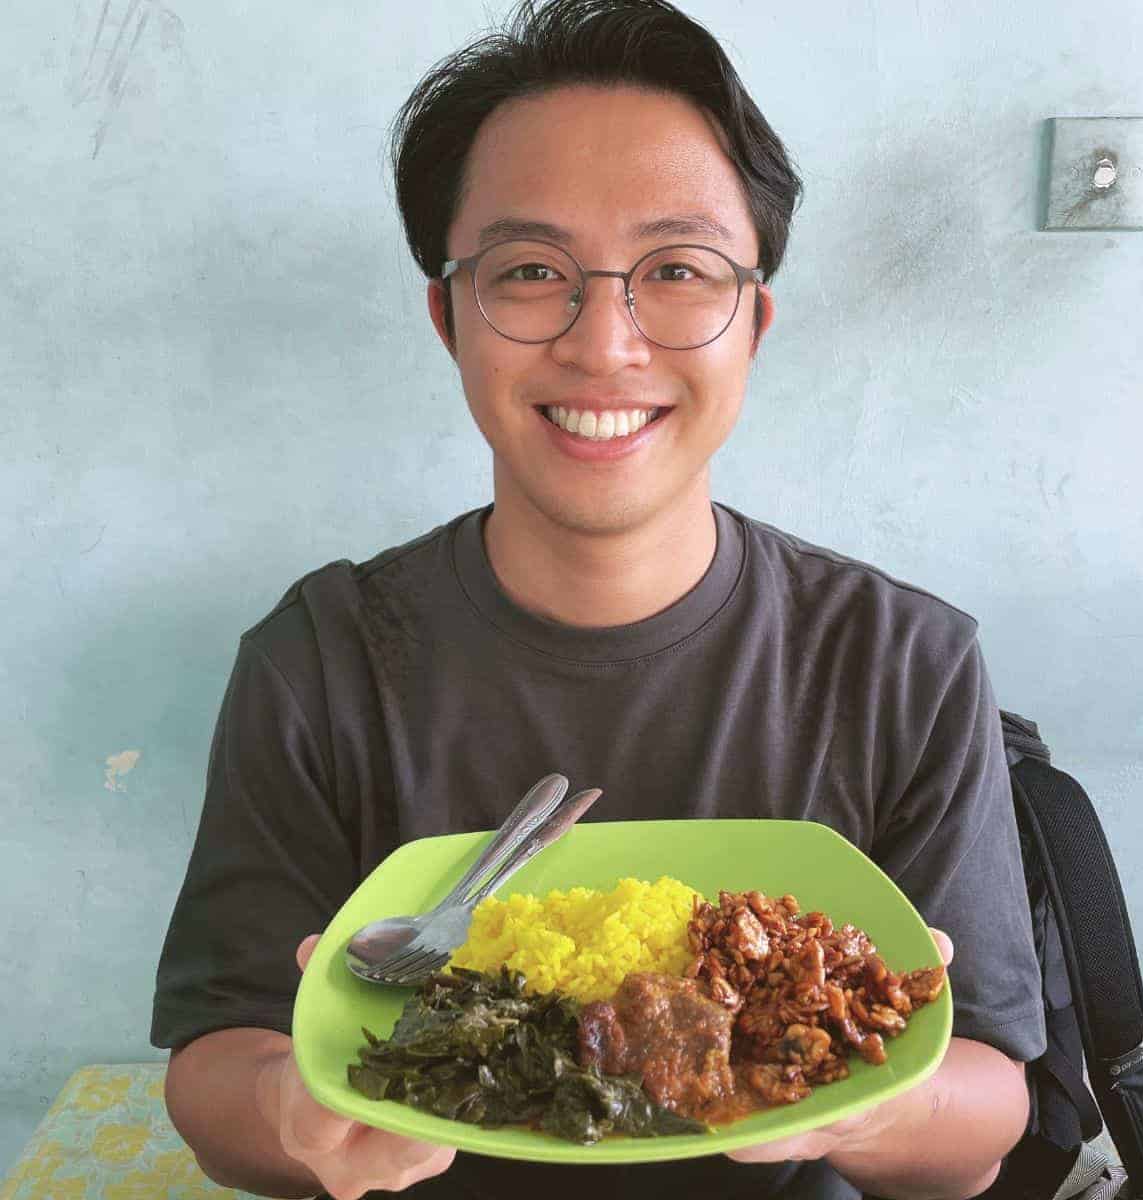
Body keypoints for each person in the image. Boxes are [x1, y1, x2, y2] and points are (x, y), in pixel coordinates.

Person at [152, 1, 1046, 1197]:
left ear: (754, 323)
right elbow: (220, 1076)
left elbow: (979, 1128)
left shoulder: (902, 659)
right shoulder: (319, 657)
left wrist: (872, 1096)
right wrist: (294, 1107)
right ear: (449, 316)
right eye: (530, 272)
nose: (604, 343)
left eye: (677, 270)